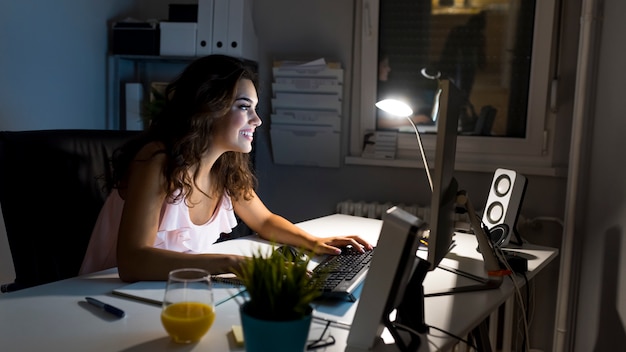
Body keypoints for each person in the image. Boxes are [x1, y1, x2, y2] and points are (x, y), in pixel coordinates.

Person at [80, 54, 372, 282]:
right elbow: (133, 263)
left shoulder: (225, 167)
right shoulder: (157, 161)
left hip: (164, 289)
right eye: (244, 107)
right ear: (208, 106)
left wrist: (314, 242)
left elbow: (265, 222)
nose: (256, 120)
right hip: (104, 297)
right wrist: (230, 263)